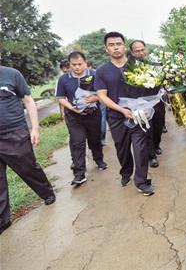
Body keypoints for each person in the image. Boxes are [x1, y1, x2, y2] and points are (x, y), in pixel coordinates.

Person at [94, 32, 155, 196]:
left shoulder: (138, 65)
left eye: (118, 44)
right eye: (111, 45)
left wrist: (148, 105)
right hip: (116, 117)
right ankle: (126, 171)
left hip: (138, 116)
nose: (115, 47)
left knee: (140, 148)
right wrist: (121, 110)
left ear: (124, 45)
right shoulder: (102, 71)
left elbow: (150, 87)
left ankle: (141, 181)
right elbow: (101, 96)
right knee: (122, 148)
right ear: (106, 49)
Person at [0, 64, 56, 235]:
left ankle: (47, 193)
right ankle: (3, 220)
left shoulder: (11, 74)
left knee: (27, 167)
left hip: (14, 132)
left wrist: (35, 128)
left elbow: (28, 100)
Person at [56, 51, 107, 186]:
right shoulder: (64, 79)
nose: (77, 67)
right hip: (74, 116)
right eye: (74, 65)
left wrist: (96, 98)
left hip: (93, 113)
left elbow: (104, 92)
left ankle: (99, 159)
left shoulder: (95, 75)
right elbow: (61, 98)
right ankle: (79, 173)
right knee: (77, 142)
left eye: (80, 64)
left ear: (85, 63)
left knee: (95, 139)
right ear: (69, 64)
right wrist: (70, 107)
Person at [129, 40, 165, 168]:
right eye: (137, 51)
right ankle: (151, 156)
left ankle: (156, 145)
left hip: (157, 99)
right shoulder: (130, 67)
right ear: (132, 53)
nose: (141, 52)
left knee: (159, 125)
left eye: (142, 49)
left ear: (146, 49)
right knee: (147, 128)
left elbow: (163, 78)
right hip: (142, 102)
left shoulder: (155, 64)